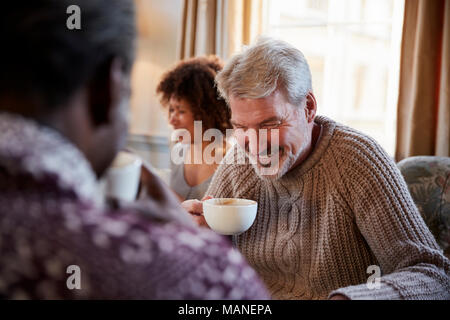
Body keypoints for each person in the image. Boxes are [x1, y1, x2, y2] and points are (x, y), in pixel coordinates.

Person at [0, 0, 269, 299]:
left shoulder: (235, 161)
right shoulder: (201, 277)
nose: (170, 119)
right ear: (108, 89)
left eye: (179, 110)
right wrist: (190, 245)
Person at [182, 37, 450, 300]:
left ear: (308, 107)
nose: (254, 145)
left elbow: (432, 273)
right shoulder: (239, 161)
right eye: (241, 127)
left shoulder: (358, 161)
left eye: (269, 124)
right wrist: (200, 238)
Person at [156, 56, 232, 201]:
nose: (172, 120)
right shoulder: (177, 150)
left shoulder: (229, 161)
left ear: (206, 114)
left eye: (181, 111)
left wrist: (164, 191)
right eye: (171, 110)